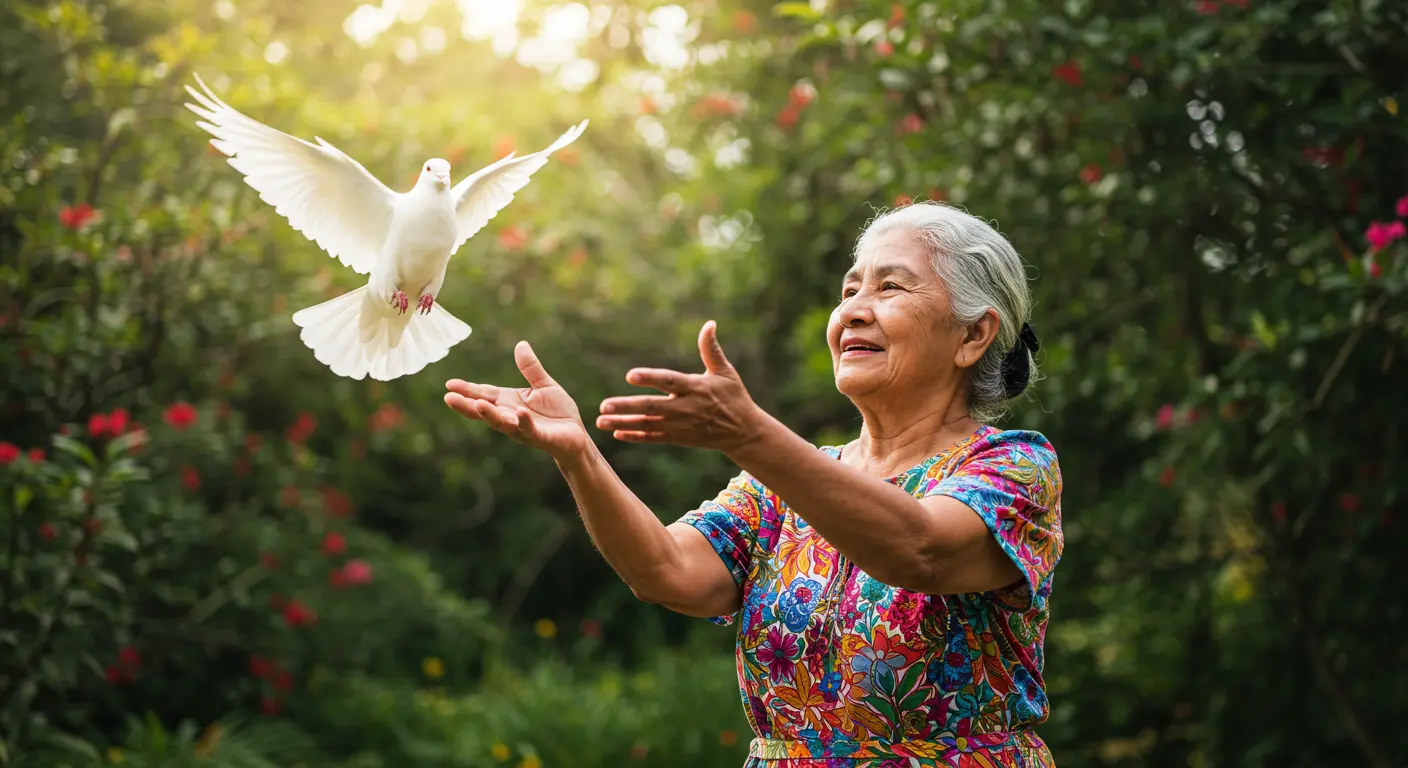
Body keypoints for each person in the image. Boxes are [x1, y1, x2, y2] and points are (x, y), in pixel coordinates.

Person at [444, 201, 1063, 767]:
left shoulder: (1012, 467)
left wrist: (748, 435)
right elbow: (668, 571)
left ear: (973, 335)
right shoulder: (778, 488)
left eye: (891, 286)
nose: (852, 309)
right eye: (849, 290)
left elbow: (922, 549)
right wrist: (579, 454)